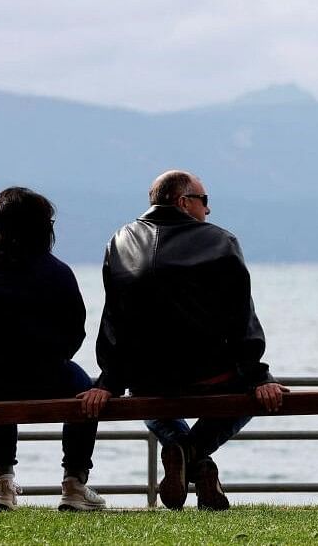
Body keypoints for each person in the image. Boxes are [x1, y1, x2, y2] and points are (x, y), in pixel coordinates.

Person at [79, 170, 287, 511]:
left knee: (143, 394)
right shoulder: (221, 241)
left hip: (150, 383)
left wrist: (109, 382)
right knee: (251, 395)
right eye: (204, 201)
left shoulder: (118, 241)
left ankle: (178, 448)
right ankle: (194, 455)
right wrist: (259, 376)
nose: (208, 211)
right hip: (212, 379)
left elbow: (113, 318)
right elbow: (240, 318)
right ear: (183, 202)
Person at [0, 187, 105, 512]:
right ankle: (74, 483)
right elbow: (74, 332)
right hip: (40, 375)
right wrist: (50, 358)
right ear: (40, 228)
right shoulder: (56, 272)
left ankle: (2, 484)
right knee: (86, 392)